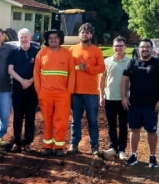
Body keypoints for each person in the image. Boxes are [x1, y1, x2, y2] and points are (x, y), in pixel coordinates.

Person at [122, 38, 159, 168]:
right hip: (134, 103)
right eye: (142, 47)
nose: (145, 49)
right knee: (134, 129)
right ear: (139, 49)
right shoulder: (132, 62)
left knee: (151, 131)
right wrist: (124, 97)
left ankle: (152, 157)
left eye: (148, 47)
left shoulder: (158, 64)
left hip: (151, 104)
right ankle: (133, 155)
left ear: (151, 49)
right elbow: (124, 81)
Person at [34, 28, 75, 155]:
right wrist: (38, 90)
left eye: (55, 37)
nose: (53, 40)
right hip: (45, 93)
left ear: (60, 39)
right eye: (50, 38)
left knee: (61, 121)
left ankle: (59, 147)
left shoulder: (67, 54)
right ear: (47, 40)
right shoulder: (41, 53)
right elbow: (36, 73)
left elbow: (72, 73)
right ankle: (47, 146)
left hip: (62, 94)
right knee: (47, 121)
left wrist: (69, 91)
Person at [69, 23, 106, 154]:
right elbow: (69, 68)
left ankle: (94, 146)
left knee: (92, 121)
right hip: (76, 92)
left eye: (87, 32)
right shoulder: (72, 50)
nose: (85, 34)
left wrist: (88, 68)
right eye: (83, 32)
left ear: (91, 35)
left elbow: (101, 68)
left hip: (91, 93)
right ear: (79, 34)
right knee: (75, 121)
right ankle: (74, 145)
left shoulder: (96, 51)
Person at [8, 28, 39, 152]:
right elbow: (10, 70)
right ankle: (16, 142)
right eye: (21, 37)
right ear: (18, 38)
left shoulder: (37, 51)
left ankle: (28, 143)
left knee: (30, 116)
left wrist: (31, 81)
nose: (24, 39)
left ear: (30, 37)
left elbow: (40, 69)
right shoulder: (14, 52)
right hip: (18, 89)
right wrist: (22, 81)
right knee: (18, 116)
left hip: (32, 89)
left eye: (26, 37)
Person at [99, 36, 131, 161]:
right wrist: (101, 96)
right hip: (109, 98)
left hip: (124, 100)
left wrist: (127, 97)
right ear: (113, 47)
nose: (118, 48)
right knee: (111, 125)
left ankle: (122, 150)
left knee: (123, 125)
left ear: (125, 47)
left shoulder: (130, 62)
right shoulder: (106, 61)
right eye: (116, 46)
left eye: (121, 46)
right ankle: (113, 147)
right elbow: (102, 80)